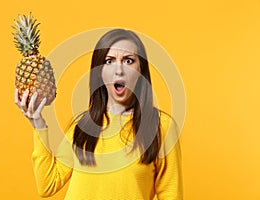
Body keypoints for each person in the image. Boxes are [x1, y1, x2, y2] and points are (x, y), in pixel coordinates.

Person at [15, 29, 183, 199]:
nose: (119, 70)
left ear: (141, 70)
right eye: (109, 61)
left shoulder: (161, 127)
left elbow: (171, 194)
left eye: (128, 60)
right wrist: (38, 124)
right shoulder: (82, 126)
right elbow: (48, 185)